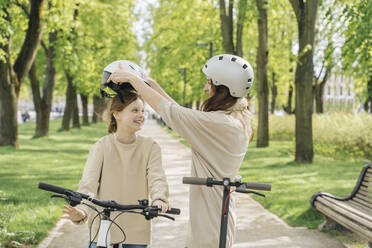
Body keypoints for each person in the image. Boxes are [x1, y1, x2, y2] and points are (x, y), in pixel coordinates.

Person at [108, 54, 254, 248]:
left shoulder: (222, 124)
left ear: (223, 88)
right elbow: (181, 115)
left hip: (211, 218)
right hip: (214, 212)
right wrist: (150, 83)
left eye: (209, 83)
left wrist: (134, 80)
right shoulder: (236, 117)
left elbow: (173, 114)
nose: (205, 88)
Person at [62, 82, 170, 248]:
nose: (141, 115)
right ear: (117, 114)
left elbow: (157, 178)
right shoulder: (102, 146)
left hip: (136, 227)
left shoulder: (151, 147)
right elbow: (88, 184)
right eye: (134, 110)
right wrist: (82, 211)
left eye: (142, 110)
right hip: (103, 226)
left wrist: (159, 198)